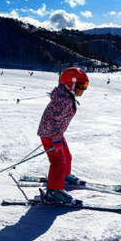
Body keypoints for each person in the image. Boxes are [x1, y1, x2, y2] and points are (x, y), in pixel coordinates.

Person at [37, 67, 89, 204]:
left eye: (85, 86)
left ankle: (63, 176)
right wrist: (55, 138)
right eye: (81, 86)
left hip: (55, 133)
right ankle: (54, 191)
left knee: (67, 157)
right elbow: (53, 120)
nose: (83, 90)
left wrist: (57, 136)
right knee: (58, 162)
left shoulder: (66, 96)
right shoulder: (64, 100)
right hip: (51, 134)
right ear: (70, 84)